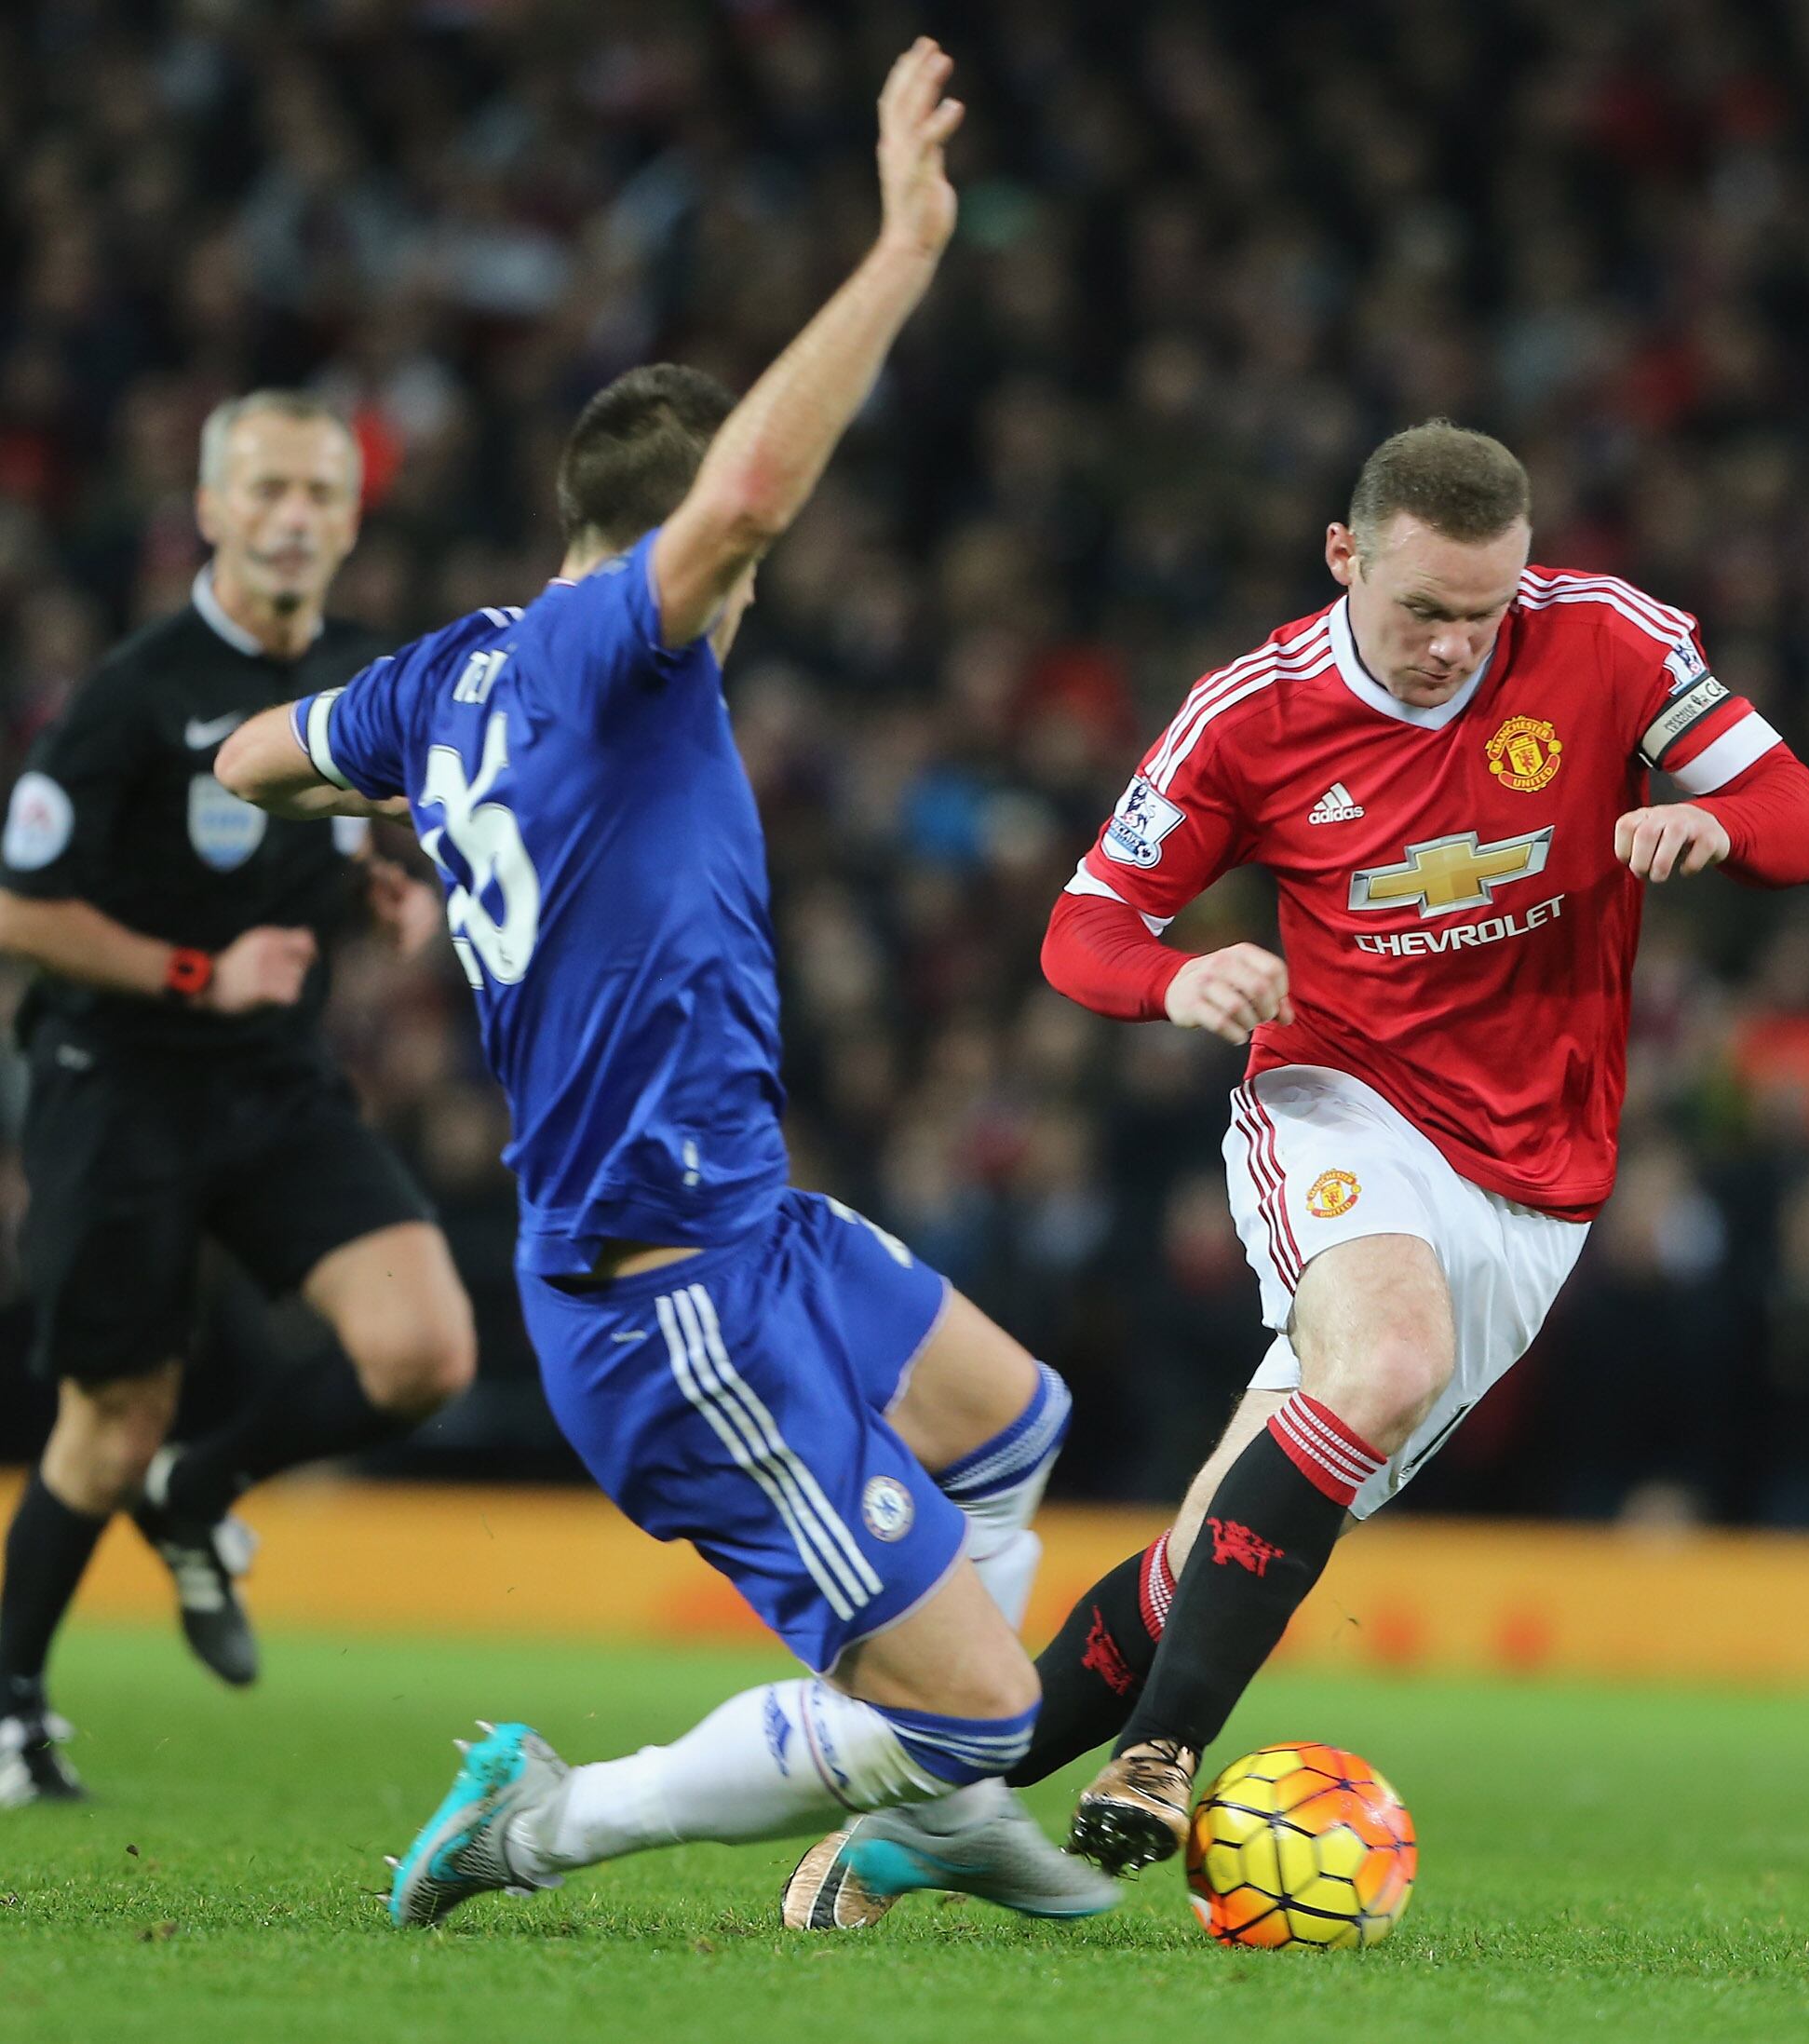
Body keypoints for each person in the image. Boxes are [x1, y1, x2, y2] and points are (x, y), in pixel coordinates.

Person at [215, 40, 1114, 1930]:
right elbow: (745, 504)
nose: (752, 581)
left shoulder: (441, 680)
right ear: (675, 541)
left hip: (750, 1219)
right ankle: (557, 1818)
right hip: (668, 1292)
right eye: (731, 554)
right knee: (978, 1719)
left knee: (1013, 1424)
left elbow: (247, 761)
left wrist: (402, 820)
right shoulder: (614, 654)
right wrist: (902, 251)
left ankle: (917, 1785)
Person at [787, 415, 1809, 1919]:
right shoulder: (1251, 715)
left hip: (1539, 1175)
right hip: (1341, 1099)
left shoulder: (1605, 639)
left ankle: (931, 1819)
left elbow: (1804, 828)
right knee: (1391, 1352)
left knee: (1204, 1556)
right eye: (1421, 610)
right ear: (1344, 556)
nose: (1452, 648)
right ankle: (1161, 1758)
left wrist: (1707, 817)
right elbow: (1083, 929)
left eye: (1484, 614)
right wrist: (1179, 981)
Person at [0, 391, 472, 1806]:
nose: (292, 518)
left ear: (350, 519)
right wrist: (195, 971)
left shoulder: (347, 670)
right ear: (207, 509)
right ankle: (12, 1704)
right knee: (110, 1415)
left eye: (320, 495)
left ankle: (199, 1493)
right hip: (122, 1083)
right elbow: (21, 904)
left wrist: (373, 881)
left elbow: (298, 832)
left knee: (424, 1352)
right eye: (265, 489)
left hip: (273, 1086)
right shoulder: (135, 693)